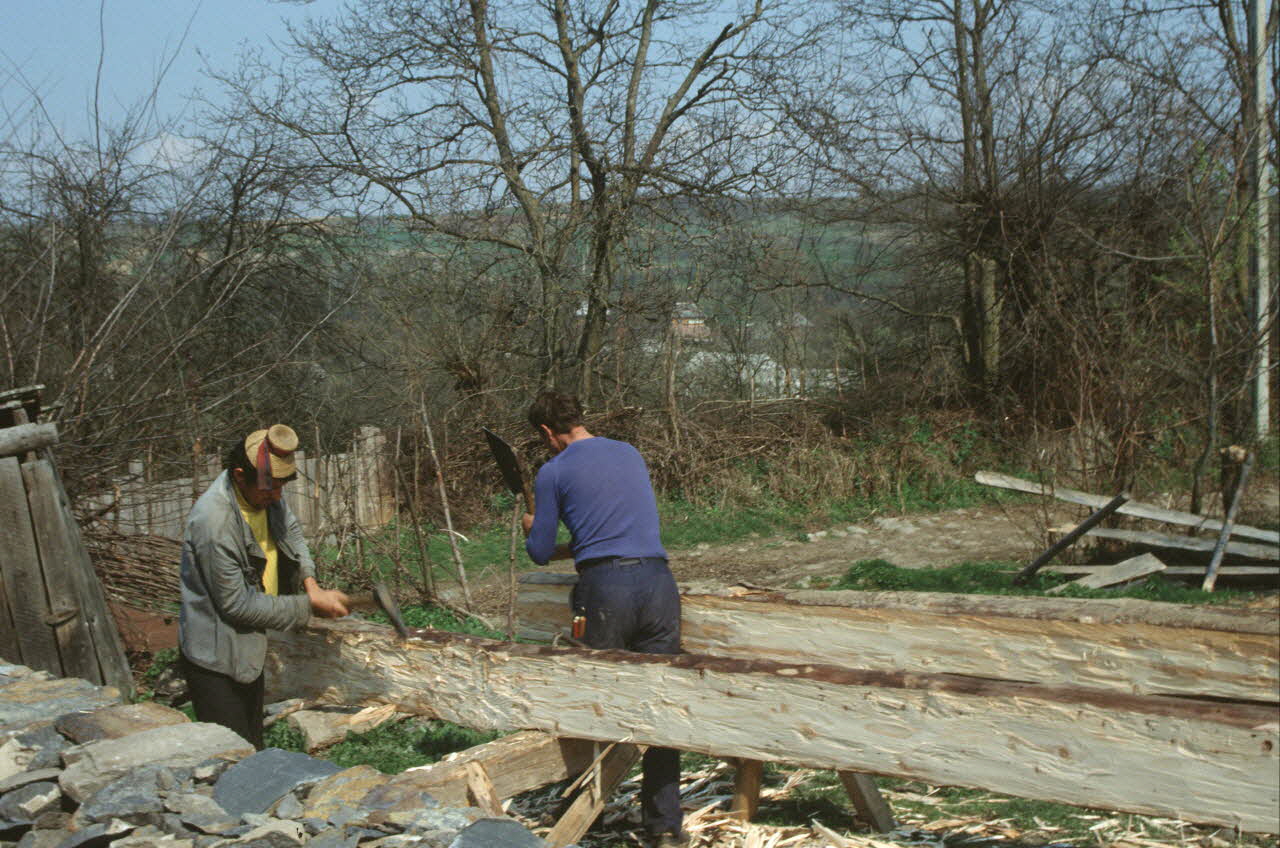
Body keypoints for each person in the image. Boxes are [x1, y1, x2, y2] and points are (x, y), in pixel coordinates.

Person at [521, 392, 687, 848]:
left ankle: (585, 813)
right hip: (658, 584)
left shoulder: (553, 470)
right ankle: (665, 828)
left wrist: (533, 525)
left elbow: (538, 552)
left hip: (606, 589)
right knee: (659, 703)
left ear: (546, 433)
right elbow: (610, 529)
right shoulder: (628, 452)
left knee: (595, 699)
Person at [178, 424, 350, 749]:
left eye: (281, 487)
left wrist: (310, 584)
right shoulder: (213, 522)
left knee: (253, 748)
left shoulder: (266, 495)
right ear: (240, 475)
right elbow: (237, 605)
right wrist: (308, 606)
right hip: (217, 657)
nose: (277, 496)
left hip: (250, 647)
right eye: (270, 487)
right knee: (231, 757)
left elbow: (293, 535)